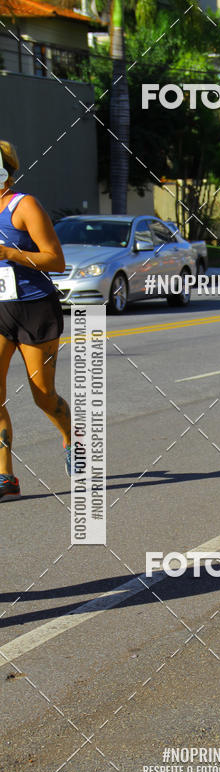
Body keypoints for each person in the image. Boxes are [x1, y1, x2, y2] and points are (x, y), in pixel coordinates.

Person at [0, 140, 71, 501]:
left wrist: (9, 252)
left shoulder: (23, 205)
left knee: (42, 395)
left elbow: (55, 260)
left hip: (34, 308)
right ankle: (5, 477)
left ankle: (71, 440)